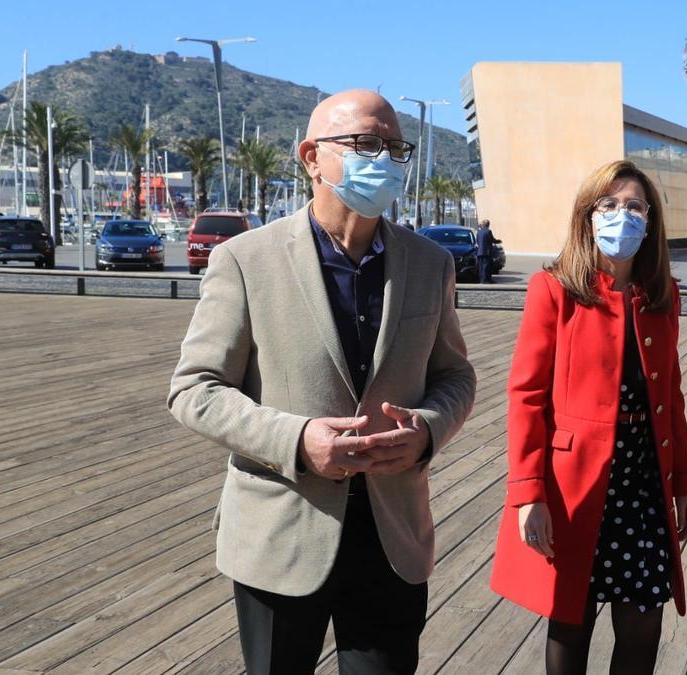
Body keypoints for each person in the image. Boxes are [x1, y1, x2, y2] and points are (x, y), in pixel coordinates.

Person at [168, 89, 477, 674]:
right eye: (364, 144)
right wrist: (297, 441)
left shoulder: (430, 264)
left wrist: (429, 431)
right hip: (282, 534)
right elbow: (194, 388)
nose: (381, 159)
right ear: (311, 156)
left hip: (393, 536)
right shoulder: (244, 260)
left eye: (393, 147)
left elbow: (455, 375)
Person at [490, 160, 687, 675]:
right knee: (570, 620)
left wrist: (686, 485)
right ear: (587, 216)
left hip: (643, 481)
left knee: (643, 625)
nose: (621, 216)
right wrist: (527, 495)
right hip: (573, 487)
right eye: (608, 205)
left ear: (649, 221)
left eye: (634, 206)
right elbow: (527, 396)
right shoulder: (553, 289)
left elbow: (670, 395)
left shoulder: (662, 295)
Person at [475, 219, 501, 283]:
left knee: (481, 266)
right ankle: (486, 280)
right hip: (487, 252)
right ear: (488, 225)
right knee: (486, 266)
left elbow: (477, 242)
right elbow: (492, 240)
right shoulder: (488, 231)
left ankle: (481, 279)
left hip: (479, 252)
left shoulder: (479, 232)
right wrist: (498, 241)